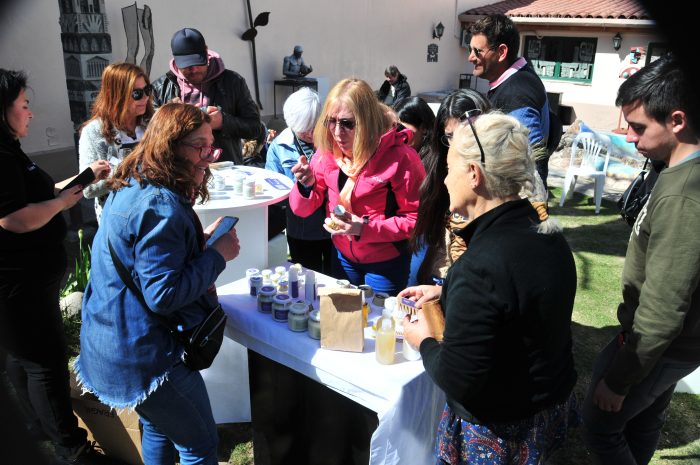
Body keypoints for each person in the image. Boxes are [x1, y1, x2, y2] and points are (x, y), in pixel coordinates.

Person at [402, 113, 579, 464]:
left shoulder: (482, 264)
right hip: (543, 408)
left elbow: (459, 377)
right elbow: (520, 303)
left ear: (474, 175)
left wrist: (421, 338)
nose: (445, 177)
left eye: (450, 167)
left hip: (500, 425)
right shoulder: (546, 234)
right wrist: (447, 291)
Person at [74, 103, 241, 464]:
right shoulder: (159, 204)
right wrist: (217, 256)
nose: (207, 157)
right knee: (199, 443)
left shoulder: (133, 181)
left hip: (110, 340)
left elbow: (146, 262)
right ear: (170, 146)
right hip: (143, 355)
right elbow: (163, 295)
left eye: (210, 146)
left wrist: (200, 245)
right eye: (199, 146)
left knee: (159, 428)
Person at [582, 53, 700, 465]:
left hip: (662, 346)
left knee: (599, 424)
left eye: (637, 127)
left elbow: (665, 307)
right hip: (669, 345)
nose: (628, 137)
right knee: (644, 421)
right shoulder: (676, 173)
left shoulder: (684, 193)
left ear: (677, 121)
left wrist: (619, 379)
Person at [0, 69, 111, 464]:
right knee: (45, 363)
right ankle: (72, 449)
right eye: (24, 106)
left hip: (30, 281)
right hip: (17, 282)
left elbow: (43, 193)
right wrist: (65, 204)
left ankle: (36, 425)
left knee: (22, 358)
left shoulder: (10, 149)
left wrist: (84, 178)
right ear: (3, 111)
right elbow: (14, 218)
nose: (30, 113)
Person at [289, 78, 424, 295]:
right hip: (342, 255)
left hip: (384, 264)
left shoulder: (401, 158)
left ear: (367, 121)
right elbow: (302, 209)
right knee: (343, 324)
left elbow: (415, 220)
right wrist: (305, 186)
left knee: (375, 326)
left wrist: (364, 228)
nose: (337, 132)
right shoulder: (327, 152)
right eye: (331, 121)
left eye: (347, 123)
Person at [408, 89, 491, 286]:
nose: (457, 145)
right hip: (439, 274)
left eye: (466, 134)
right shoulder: (436, 167)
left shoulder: (502, 181)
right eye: (450, 136)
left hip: (475, 282)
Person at [152, 27, 264, 165]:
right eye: (186, 65)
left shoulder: (233, 82)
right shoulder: (160, 87)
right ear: (175, 59)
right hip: (177, 169)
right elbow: (149, 135)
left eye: (198, 62)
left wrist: (223, 122)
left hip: (223, 169)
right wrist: (172, 119)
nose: (193, 69)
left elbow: (255, 129)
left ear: (206, 51)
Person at [468, 14, 552, 189]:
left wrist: (533, 205)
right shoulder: (518, 80)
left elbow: (533, 156)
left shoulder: (517, 91)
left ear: (501, 52)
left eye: (477, 51)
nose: (471, 57)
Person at [265, 87, 332, 274]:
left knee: (336, 282)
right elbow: (274, 189)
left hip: (334, 227)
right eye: (304, 130)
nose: (310, 134)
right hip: (300, 229)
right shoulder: (279, 146)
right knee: (306, 281)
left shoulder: (335, 140)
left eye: (314, 127)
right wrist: (301, 188)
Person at [79, 62, 154, 223]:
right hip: (117, 218)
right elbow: (88, 189)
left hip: (154, 208)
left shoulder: (151, 124)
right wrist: (126, 172)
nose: (146, 97)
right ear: (117, 95)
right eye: (137, 94)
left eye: (147, 90)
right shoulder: (93, 132)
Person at [393, 96, 435, 160]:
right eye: (394, 129)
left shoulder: (438, 161)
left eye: (401, 128)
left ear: (424, 128)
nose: (398, 134)